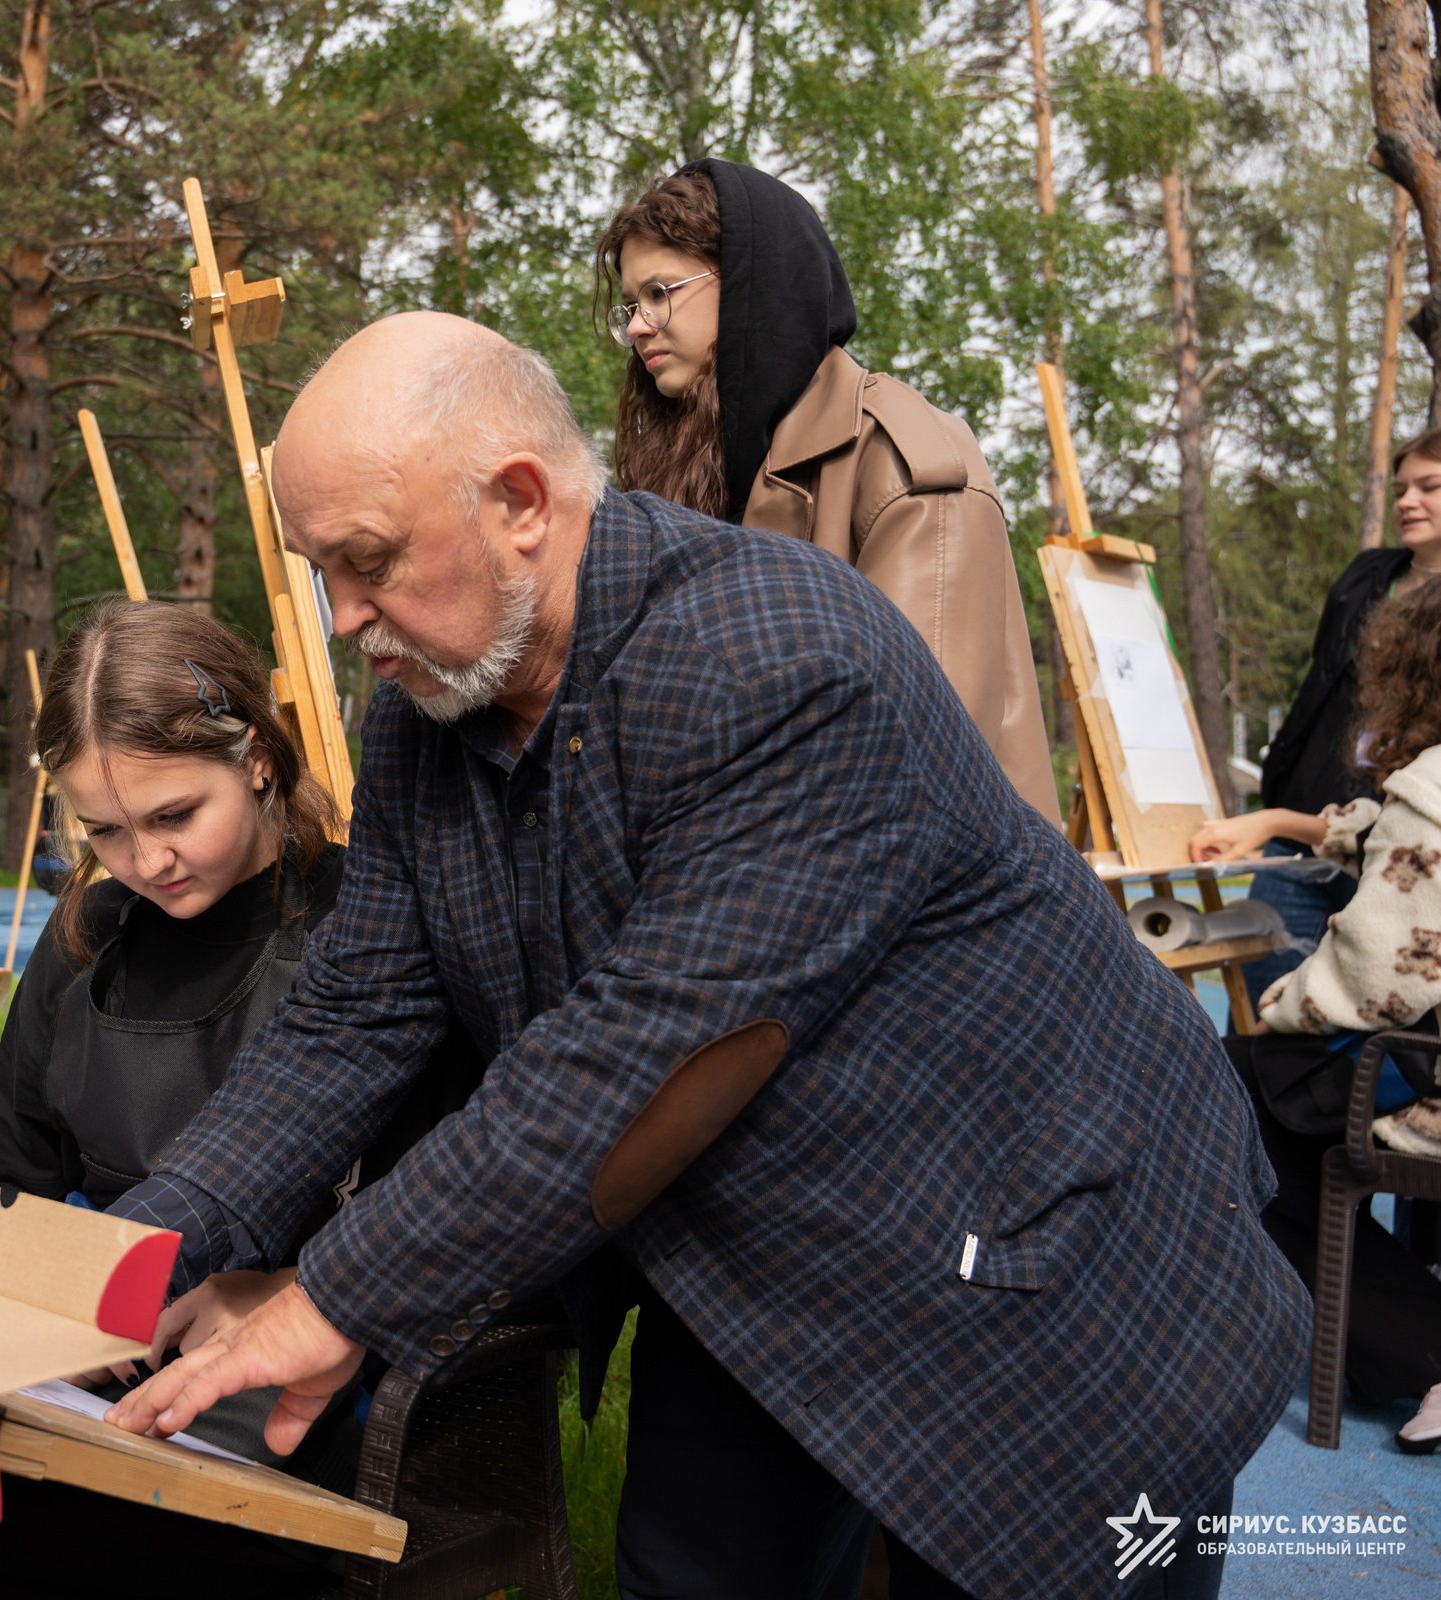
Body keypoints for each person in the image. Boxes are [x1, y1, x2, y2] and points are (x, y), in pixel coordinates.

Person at [95, 312, 1305, 1600]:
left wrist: (330, 1296)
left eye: (368, 561)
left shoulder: (779, 655)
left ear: (519, 503)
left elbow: (631, 1061)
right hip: (761, 1249)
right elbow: (350, 1017)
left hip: (1039, 1252)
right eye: (314, 568)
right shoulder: (420, 722)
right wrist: (132, 1259)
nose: (340, 619)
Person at [0, 603, 474, 1598]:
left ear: (254, 756)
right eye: (104, 830)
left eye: (173, 816)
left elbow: (450, 1199)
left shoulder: (361, 930)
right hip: (100, 1341)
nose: (144, 862)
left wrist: (299, 1285)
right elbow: (16, 1184)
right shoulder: (84, 937)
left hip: (322, 1365)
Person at [596, 160, 1058, 821]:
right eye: (631, 305)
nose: (639, 325)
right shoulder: (699, 476)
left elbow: (914, 771)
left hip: (935, 910)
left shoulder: (902, 462)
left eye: (661, 292)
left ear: (754, 284)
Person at [1194, 574, 1441, 1456]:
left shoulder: (1433, 785)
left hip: (1427, 1076)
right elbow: (1381, 833)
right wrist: (1276, 823)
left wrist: (1280, 1001)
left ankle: (1424, 1350)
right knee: (1255, 1100)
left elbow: (1381, 979)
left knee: (1214, 1103)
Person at [1237, 428, 1441, 994]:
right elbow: (1318, 693)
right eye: (1401, 488)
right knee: (1264, 998)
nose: (1407, 502)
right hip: (1308, 827)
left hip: (1400, 846)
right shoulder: (1366, 577)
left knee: (1361, 1019)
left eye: (1430, 486)